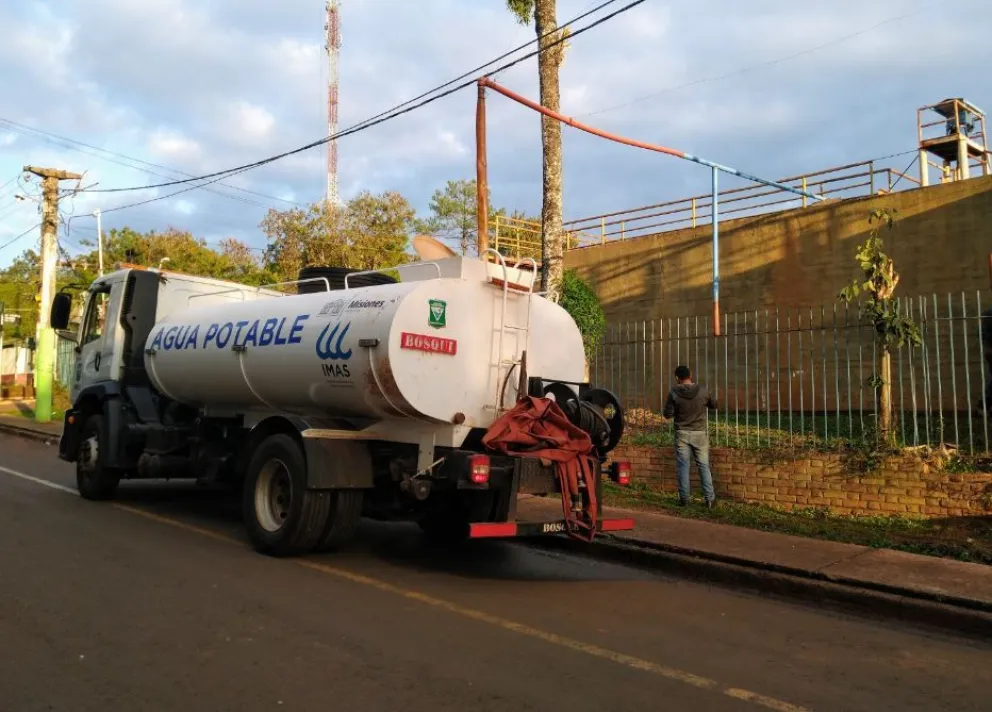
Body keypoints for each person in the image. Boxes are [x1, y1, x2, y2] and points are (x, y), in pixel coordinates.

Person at [663, 365, 718, 507]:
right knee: (703, 466)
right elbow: (714, 404)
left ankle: (684, 499)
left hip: (682, 433)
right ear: (690, 375)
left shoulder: (674, 392)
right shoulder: (703, 390)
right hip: (700, 433)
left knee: (683, 466)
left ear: (677, 378)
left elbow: (667, 415)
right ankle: (709, 499)